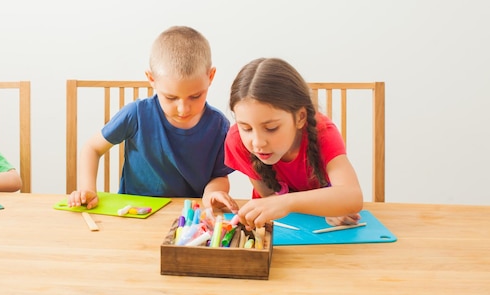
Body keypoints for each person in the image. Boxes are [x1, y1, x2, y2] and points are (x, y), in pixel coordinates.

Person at [68, 26, 237, 212]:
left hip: (186, 219)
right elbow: (92, 148)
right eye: (171, 98)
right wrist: (88, 188)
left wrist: (211, 195)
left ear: (210, 77)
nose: (183, 109)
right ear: (151, 79)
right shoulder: (136, 114)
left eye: (195, 96)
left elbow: (219, 176)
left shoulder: (219, 126)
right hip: (133, 214)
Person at [224, 57, 363, 230]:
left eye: (271, 128)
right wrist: (280, 203)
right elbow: (268, 196)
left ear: (300, 118)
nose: (258, 142)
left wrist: (332, 207)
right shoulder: (237, 140)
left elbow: (352, 196)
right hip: (278, 228)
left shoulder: (322, 132)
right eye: (246, 128)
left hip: (320, 228)